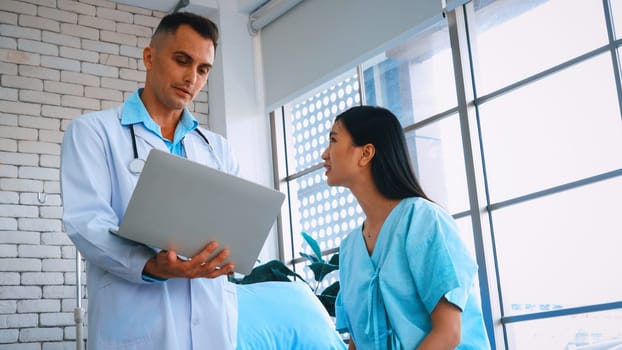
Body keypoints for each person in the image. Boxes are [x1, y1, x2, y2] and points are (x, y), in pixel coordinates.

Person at [61, 12, 240, 349]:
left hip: (212, 325)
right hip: (135, 323)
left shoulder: (217, 148)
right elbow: (86, 222)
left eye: (203, 69)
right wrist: (149, 265)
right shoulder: (94, 132)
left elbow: (234, 227)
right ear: (149, 57)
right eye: (182, 60)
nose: (192, 78)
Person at [322, 106, 491, 349]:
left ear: (366, 153)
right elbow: (357, 343)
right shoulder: (349, 249)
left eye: (333, 140)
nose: (324, 154)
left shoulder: (424, 220)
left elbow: (449, 333)